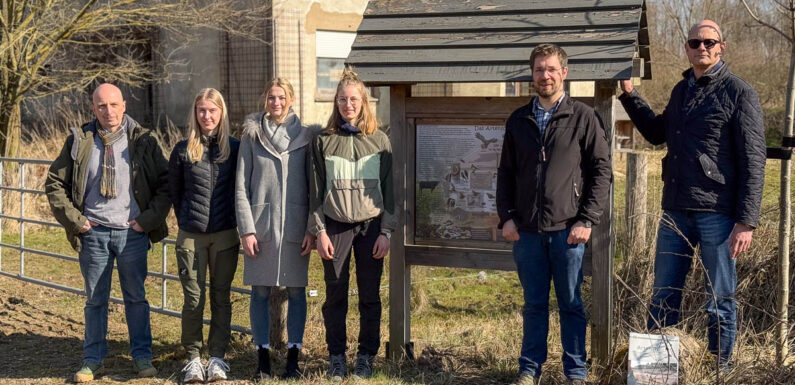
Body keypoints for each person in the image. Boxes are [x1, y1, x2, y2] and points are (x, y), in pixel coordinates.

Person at [619, 19, 765, 368]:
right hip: (676, 210)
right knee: (663, 295)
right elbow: (657, 133)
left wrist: (746, 220)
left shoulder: (739, 93)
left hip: (719, 212)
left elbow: (754, 159)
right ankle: (658, 371)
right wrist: (629, 95)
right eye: (695, 42)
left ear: (721, 47)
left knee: (719, 299)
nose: (702, 48)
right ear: (687, 48)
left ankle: (720, 369)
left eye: (709, 42)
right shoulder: (681, 90)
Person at [496, 44, 611, 385]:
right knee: (534, 305)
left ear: (564, 72)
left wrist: (586, 219)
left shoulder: (583, 117)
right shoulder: (519, 119)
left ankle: (575, 372)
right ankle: (529, 370)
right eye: (538, 70)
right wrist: (506, 217)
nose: (544, 75)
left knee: (571, 303)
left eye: (550, 69)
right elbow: (505, 172)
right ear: (531, 75)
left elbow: (601, 170)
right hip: (527, 231)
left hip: (567, 230)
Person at [45, 83, 170, 383]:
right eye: (101, 105)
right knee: (95, 300)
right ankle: (93, 359)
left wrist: (147, 220)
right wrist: (78, 222)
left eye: (114, 104)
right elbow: (54, 184)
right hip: (94, 234)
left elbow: (167, 184)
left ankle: (141, 357)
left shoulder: (143, 141)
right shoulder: (80, 140)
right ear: (93, 108)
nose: (108, 111)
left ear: (124, 105)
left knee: (136, 298)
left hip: (132, 235)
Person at [309, 69, 395, 380]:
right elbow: (314, 191)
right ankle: (336, 358)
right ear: (337, 102)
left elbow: (390, 191)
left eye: (354, 99)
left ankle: (365, 357)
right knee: (335, 296)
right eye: (343, 99)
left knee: (370, 296)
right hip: (335, 226)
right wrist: (318, 231)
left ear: (363, 102)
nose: (349, 104)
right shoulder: (323, 141)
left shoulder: (380, 140)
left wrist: (386, 231)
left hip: (371, 227)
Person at [235, 78, 315, 380]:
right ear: (265, 100)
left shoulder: (306, 137)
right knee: (259, 291)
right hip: (261, 227)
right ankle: (263, 357)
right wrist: (247, 229)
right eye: (271, 97)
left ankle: (293, 357)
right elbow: (241, 186)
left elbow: (313, 188)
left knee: (297, 291)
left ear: (291, 99)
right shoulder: (251, 137)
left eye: (282, 97)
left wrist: (311, 228)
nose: (276, 103)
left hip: (296, 228)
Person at [168, 88, 240, 383]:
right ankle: (193, 359)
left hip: (225, 235)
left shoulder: (235, 149)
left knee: (221, 297)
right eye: (201, 111)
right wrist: (187, 220)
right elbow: (175, 192)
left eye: (212, 110)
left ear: (221, 113)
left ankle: (218, 358)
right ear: (195, 114)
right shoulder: (182, 150)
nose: (207, 116)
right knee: (193, 299)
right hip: (191, 236)